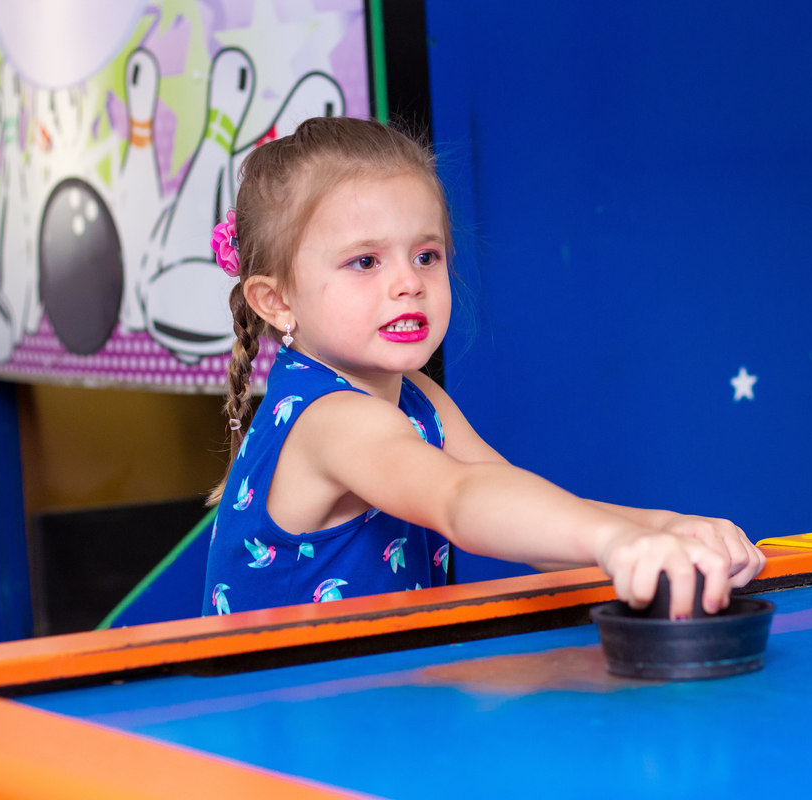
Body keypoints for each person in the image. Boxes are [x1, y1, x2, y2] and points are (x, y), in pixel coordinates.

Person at [201, 116, 764, 619]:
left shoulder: (417, 394)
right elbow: (459, 498)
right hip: (287, 723)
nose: (408, 283)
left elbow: (506, 494)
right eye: (365, 261)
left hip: (367, 705)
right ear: (276, 301)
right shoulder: (332, 420)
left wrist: (659, 529)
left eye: (426, 255)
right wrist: (614, 542)